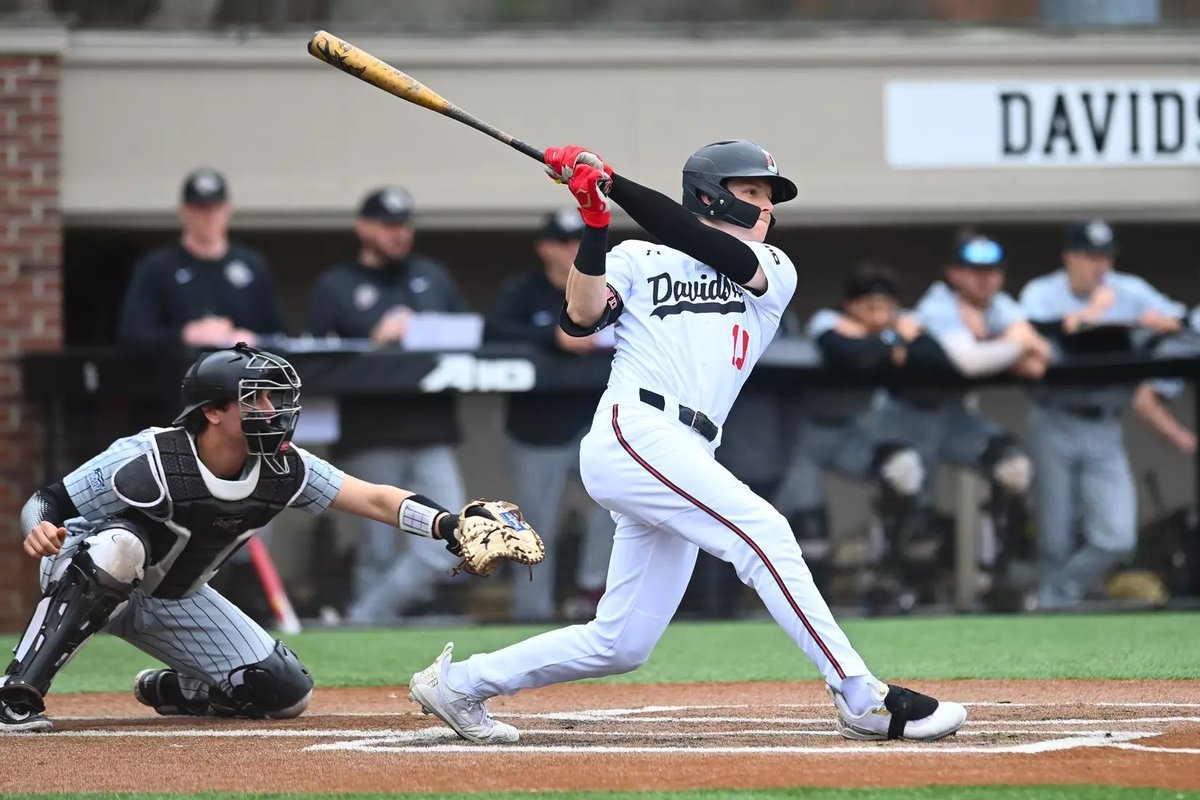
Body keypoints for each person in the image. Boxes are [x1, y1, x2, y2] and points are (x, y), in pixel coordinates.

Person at [406, 140, 966, 744]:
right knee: (765, 532)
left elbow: (700, 242)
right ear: (710, 195)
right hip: (636, 429)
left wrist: (613, 183)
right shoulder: (637, 256)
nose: (766, 206)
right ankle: (861, 696)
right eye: (751, 192)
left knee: (621, 643)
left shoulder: (773, 267)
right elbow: (580, 317)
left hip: (689, 448)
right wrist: (595, 222)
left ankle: (459, 684)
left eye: (768, 196)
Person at [0, 344, 523, 732]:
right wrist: (37, 528)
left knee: (284, 692)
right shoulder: (148, 456)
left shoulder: (283, 466)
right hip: (85, 568)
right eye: (255, 399)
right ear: (212, 411)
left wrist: (449, 525)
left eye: (274, 397)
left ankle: (180, 689)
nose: (272, 409)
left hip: (173, 596)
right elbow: (49, 500)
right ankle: (17, 694)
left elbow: (373, 499)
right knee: (122, 546)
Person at [305, 186, 469, 623]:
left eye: (404, 225)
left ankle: (361, 619)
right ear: (364, 228)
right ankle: (370, 641)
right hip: (369, 433)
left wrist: (425, 330)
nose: (399, 234)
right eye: (388, 225)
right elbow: (313, 362)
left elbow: (469, 338)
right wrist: (375, 343)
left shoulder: (431, 276)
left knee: (448, 538)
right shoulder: (337, 285)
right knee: (376, 549)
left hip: (432, 427)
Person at [873, 231, 1050, 609]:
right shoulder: (938, 304)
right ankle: (892, 582)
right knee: (904, 479)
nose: (983, 279)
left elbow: (1040, 360)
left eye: (991, 271)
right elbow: (969, 362)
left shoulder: (999, 305)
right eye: (972, 271)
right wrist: (1017, 344)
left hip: (953, 416)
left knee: (1013, 468)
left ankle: (999, 579)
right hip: (906, 414)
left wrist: (1008, 345)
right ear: (953, 274)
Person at [1019, 218, 1187, 609]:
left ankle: (1054, 597)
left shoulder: (1129, 290)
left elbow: (1183, 320)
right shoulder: (1041, 293)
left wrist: (1161, 323)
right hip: (1054, 418)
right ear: (1069, 257)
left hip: (1105, 424)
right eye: (1090, 256)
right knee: (1055, 538)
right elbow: (1028, 334)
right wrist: (1090, 316)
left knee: (1117, 537)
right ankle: (1053, 609)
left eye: (1105, 257)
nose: (1100, 265)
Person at [773, 263, 932, 611]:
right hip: (806, 437)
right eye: (869, 306)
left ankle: (887, 578)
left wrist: (889, 338)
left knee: (904, 469)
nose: (879, 314)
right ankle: (809, 610)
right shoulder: (827, 321)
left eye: (886, 307)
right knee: (809, 532)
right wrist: (892, 339)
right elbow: (851, 355)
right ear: (850, 305)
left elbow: (932, 355)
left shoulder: (897, 325)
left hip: (852, 433)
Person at [485, 209, 614, 621]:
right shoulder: (522, 292)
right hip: (536, 430)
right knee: (535, 527)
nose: (574, 249)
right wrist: (553, 338)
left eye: (580, 241)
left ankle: (594, 591)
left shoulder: (605, 287)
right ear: (545, 248)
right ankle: (531, 615)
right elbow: (491, 336)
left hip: (593, 423)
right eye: (564, 242)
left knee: (618, 501)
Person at [118, 168, 285, 348]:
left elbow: (278, 336)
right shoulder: (157, 267)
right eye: (200, 209)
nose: (208, 217)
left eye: (215, 209)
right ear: (183, 211)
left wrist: (252, 340)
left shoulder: (251, 265)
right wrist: (185, 335)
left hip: (240, 364)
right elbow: (132, 336)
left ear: (227, 210)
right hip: (180, 365)